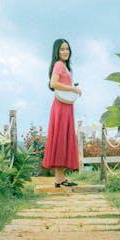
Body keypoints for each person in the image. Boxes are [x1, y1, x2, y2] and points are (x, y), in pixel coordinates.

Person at [42, 38, 82, 187]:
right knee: (61, 138)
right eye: (62, 49)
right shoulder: (59, 65)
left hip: (65, 106)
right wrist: (73, 89)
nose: (65, 52)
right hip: (61, 106)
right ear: (57, 52)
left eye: (67, 49)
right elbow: (53, 83)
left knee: (63, 138)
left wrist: (71, 86)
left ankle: (60, 177)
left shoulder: (64, 66)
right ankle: (59, 178)